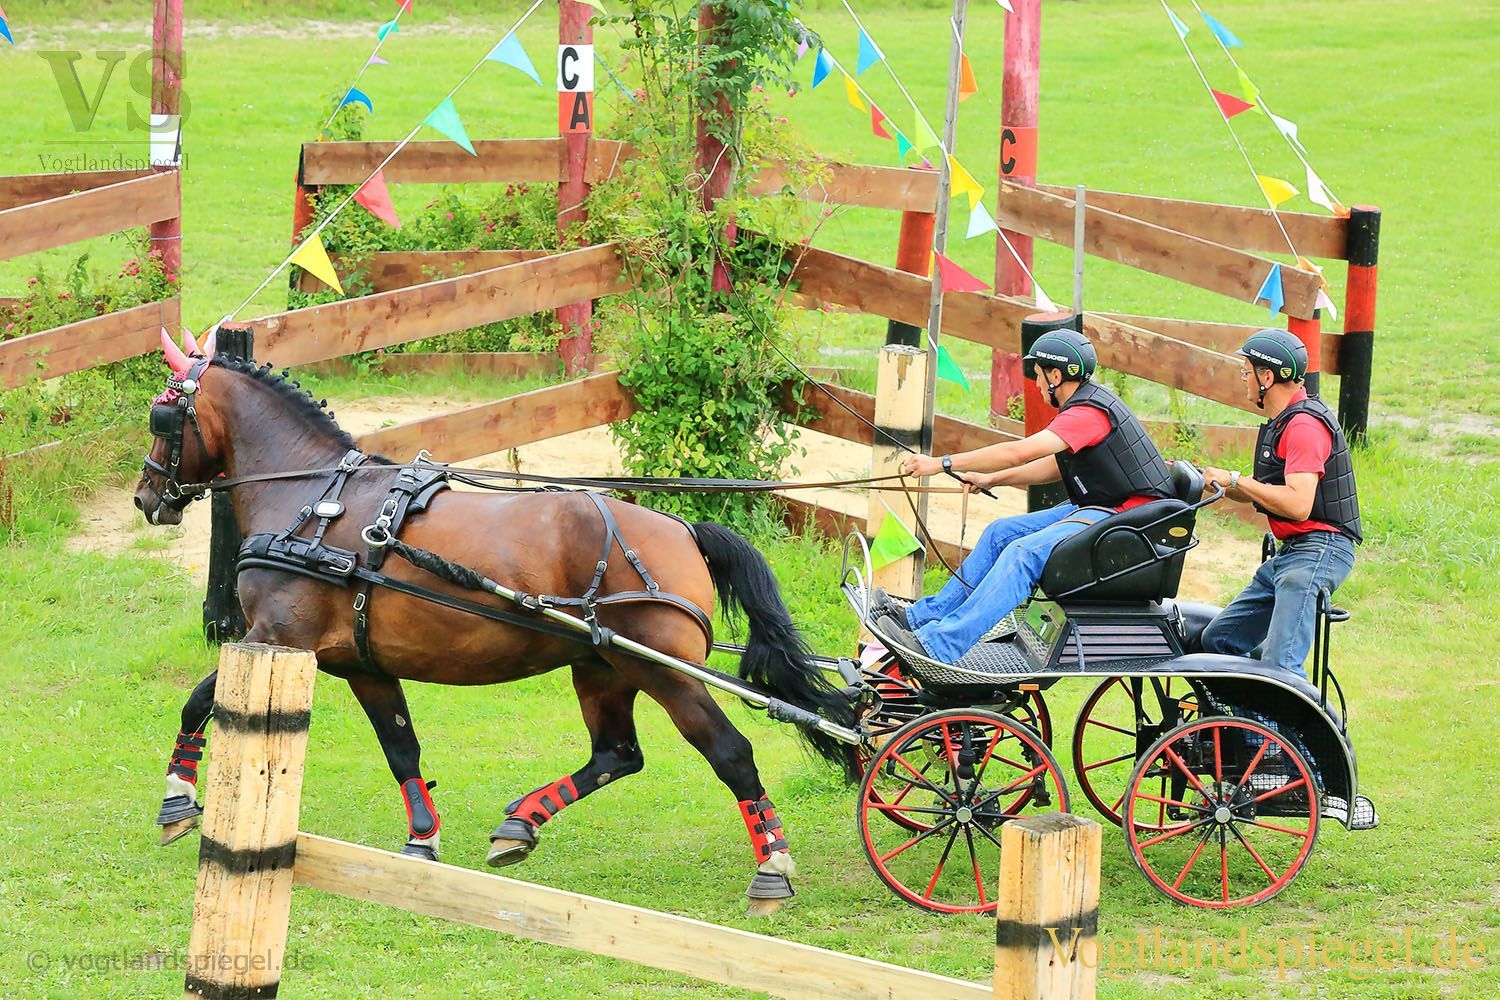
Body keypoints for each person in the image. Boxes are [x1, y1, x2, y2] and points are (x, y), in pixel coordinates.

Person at [871, 328, 1174, 664]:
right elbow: (1055, 467)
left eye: (1038, 375)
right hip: (1103, 508)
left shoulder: (1087, 414)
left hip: (1126, 520)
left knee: (1023, 553)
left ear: (1056, 375)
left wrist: (941, 463)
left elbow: (1019, 452)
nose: (1037, 384)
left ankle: (940, 644)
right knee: (1001, 533)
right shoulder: (1086, 408)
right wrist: (992, 479)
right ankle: (919, 619)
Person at [1198, 329, 1360, 677]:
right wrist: (1215, 484)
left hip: (1319, 550)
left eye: (1246, 371)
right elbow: (1263, 491)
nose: (1243, 379)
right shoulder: (1284, 421)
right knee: (1219, 640)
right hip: (1295, 551)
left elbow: (1299, 504)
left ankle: (1274, 731)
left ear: (1266, 377)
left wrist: (1236, 480)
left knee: (1281, 665)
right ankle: (1244, 727)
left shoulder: (1303, 426)